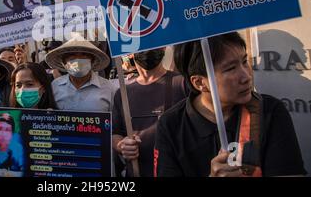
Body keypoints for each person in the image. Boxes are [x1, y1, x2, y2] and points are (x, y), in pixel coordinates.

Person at [154, 32, 307, 177]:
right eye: (231, 68)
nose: (246, 76)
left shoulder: (269, 111)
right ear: (200, 82)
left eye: (244, 61)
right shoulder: (170, 125)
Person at [113, 48, 187, 177]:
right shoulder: (123, 93)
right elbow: (115, 133)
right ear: (130, 52)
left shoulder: (182, 84)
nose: (147, 49)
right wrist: (122, 146)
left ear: (164, 48)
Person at [45, 38, 117, 112]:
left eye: (84, 55)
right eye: (72, 55)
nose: (78, 59)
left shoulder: (109, 88)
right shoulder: (55, 86)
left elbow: (115, 118)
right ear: (64, 63)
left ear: (92, 61)